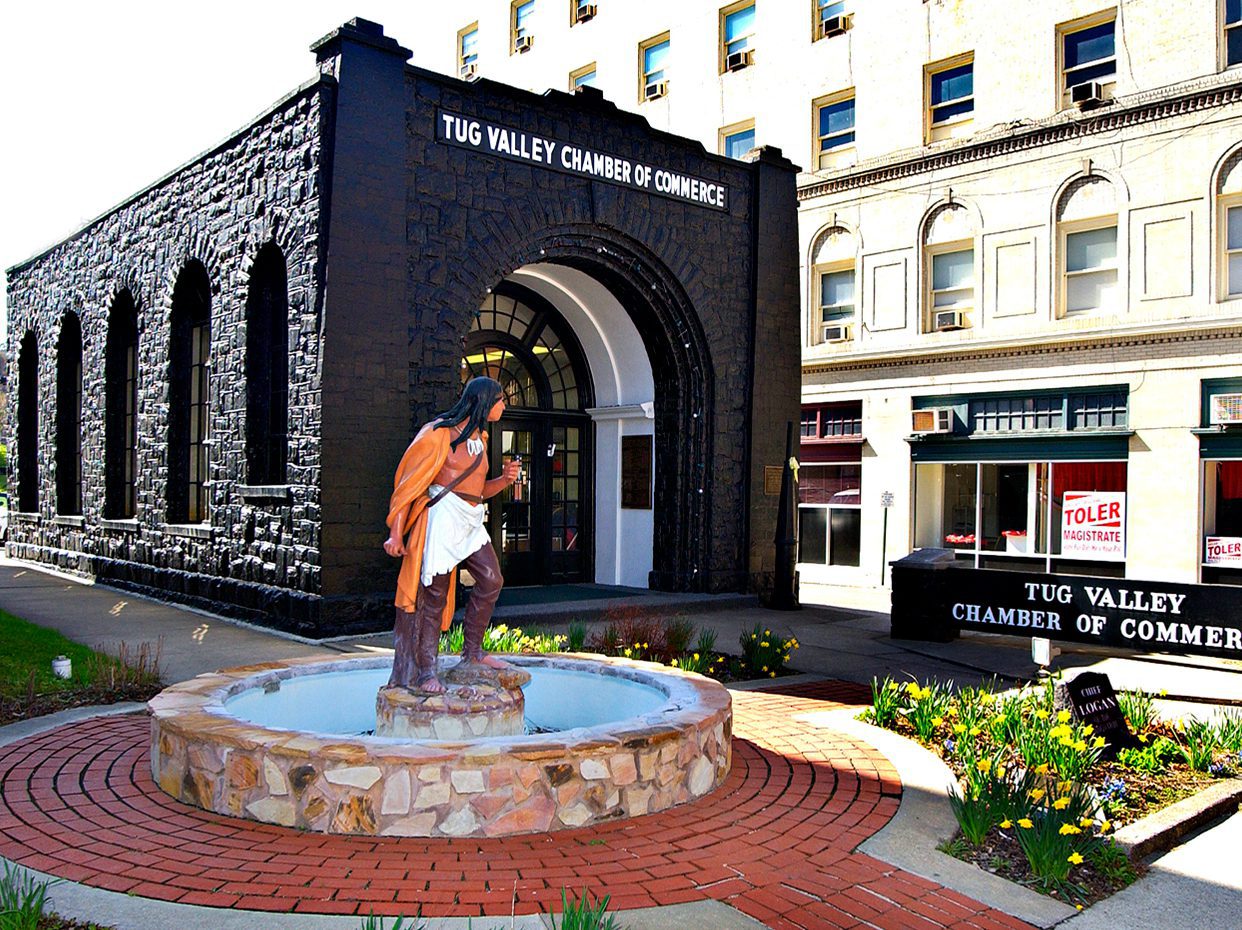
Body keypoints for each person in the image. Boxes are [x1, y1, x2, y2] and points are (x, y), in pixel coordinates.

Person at [383, 377, 521, 693]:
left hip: (470, 519)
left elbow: (476, 492)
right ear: (484, 401)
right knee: (434, 596)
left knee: (491, 579)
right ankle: (425, 672)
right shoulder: (438, 434)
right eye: (500, 399)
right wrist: (396, 533)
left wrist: (503, 479)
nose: (504, 405)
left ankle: (472, 653)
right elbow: (408, 485)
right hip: (442, 517)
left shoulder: (480, 439)